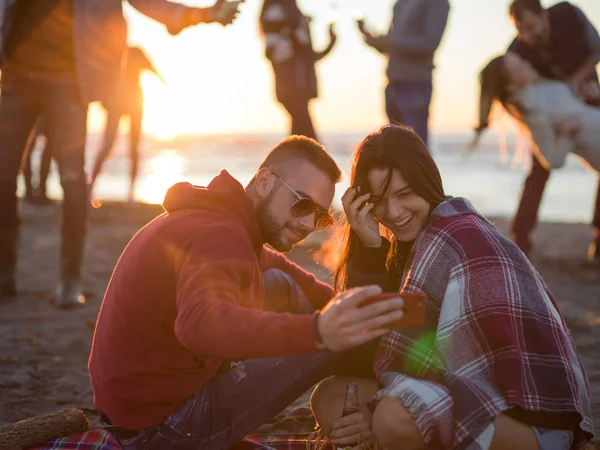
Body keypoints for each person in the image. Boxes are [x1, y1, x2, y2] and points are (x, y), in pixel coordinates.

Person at [88, 135, 406, 449]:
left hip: (131, 408)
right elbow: (198, 325)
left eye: (321, 216)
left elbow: (278, 267)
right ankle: (398, 402)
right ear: (265, 181)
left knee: (289, 289)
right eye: (303, 204)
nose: (309, 223)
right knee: (334, 337)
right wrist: (320, 330)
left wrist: (339, 301)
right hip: (162, 428)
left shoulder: (222, 219)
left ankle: (382, 381)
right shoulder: (220, 237)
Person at [309, 125, 593, 450]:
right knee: (329, 397)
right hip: (462, 398)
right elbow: (366, 356)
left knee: (392, 416)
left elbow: (403, 366)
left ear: (427, 183)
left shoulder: (455, 236)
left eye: (404, 195)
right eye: (378, 201)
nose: (393, 213)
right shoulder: (412, 245)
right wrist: (371, 248)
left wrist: (374, 416)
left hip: (530, 422)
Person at [0, 0, 240, 306]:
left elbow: (150, 3)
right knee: (3, 175)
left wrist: (203, 14)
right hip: (16, 73)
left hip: (69, 79)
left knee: (72, 177)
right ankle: (4, 275)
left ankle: (70, 280)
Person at [505, 0, 600, 261]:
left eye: (532, 27)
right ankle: (520, 239)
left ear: (544, 15)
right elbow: (508, 86)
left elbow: (596, 50)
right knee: (540, 166)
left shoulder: (569, 14)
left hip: (586, 90)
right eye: (521, 30)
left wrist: (577, 84)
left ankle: (598, 236)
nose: (528, 36)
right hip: (551, 109)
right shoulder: (517, 49)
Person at [474, 52, 600, 173]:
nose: (527, 64)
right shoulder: (533, 114)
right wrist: (565, 135)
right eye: (519, 68)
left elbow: (573, 109)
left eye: (521, 60)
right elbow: (552, 161)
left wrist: (585, 95)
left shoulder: (543, 85)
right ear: (511, 86)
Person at [357, 0, 450, 146]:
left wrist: (391, 42)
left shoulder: (436, 2)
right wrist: (373, 40)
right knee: (395, 148)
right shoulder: (400, 3)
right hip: (393, 81)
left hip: (415, 82)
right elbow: (390, 46)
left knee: (415, 148)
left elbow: (430, 43)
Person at [90, 46, 166, 202]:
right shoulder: (116, 54)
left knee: (131, 148)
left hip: (132, 103)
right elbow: (101, 80)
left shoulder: (132, 52)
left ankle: (129, 193)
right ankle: (91, 189)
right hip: (119, 103)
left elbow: (155, 72)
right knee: (110, 146)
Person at [260, 0, 336, 141]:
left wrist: (331, 42)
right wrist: (297, 27)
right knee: (305, 135)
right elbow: (275, 51)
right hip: (292, 85)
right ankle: (311, 160)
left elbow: (308, 55)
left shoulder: (289, 12)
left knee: (301, 134)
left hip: (299, 85)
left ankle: (304, 160)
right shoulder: (277, 12)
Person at [22, 116, 53, 205]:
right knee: (27, 150)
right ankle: (32, 191)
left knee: (28, 150)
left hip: (45, 113)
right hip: (41, 113)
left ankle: (36, 191)